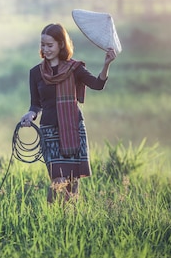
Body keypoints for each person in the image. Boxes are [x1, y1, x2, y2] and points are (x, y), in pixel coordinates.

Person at [19, 23, 117, 203]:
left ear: (61, 45)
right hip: (49, 131)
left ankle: (68, 223)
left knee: (72, 183)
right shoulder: (36, 73)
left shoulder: (75, 68)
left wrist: (106, 65)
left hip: (72, 129)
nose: (45, 49)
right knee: (58, 181)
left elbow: (97, 84)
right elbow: (35, 105)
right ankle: (50, 219)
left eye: (50, 45)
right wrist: (30, 115)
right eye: (43, 45)